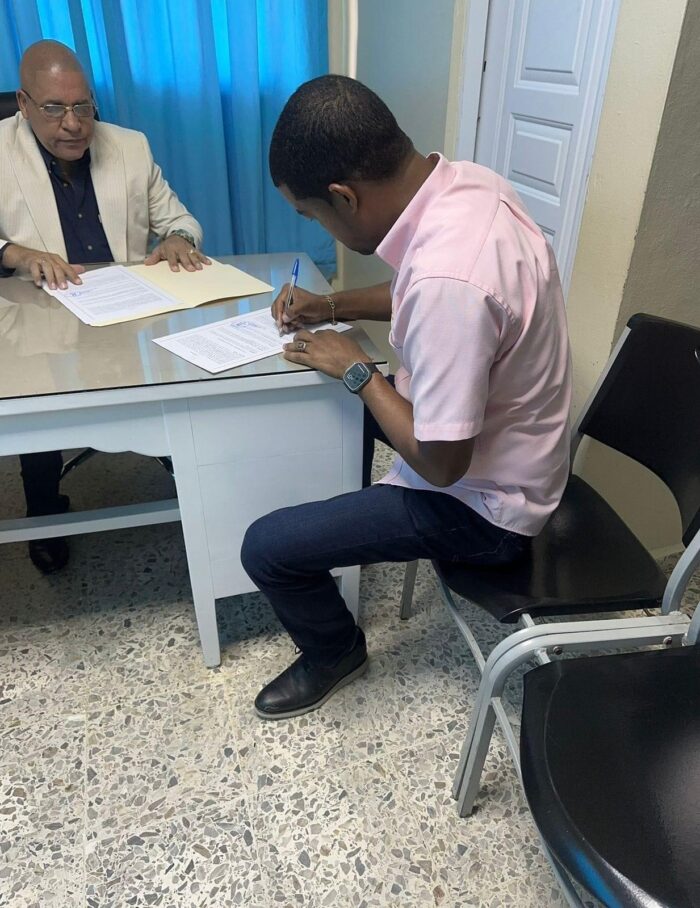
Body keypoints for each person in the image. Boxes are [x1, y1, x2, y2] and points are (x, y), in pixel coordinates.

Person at [240, 75, 572, 721]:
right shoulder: (464, 187)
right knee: (329, 406)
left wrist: (359, 371)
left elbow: (443, 464)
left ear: (344, 196)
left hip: (485, 509)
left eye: (312, 215)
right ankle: (341, 522)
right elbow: (415, 289)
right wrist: (329, 306)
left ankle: (334, 652)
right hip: (514, 451)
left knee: (267, 548)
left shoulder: (452, 279)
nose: (317, 225)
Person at [0, 40, 210, 574]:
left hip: (126, 315)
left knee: (175, 384)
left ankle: (190, 477)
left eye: (83, 106)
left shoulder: (130, 146)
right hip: (39, 318)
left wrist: (179, 238)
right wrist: (15, 253)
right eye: (54, 108)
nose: (73, 124)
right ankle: (45, 508)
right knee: (40, 404)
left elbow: (181, 219)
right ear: (23, 104)